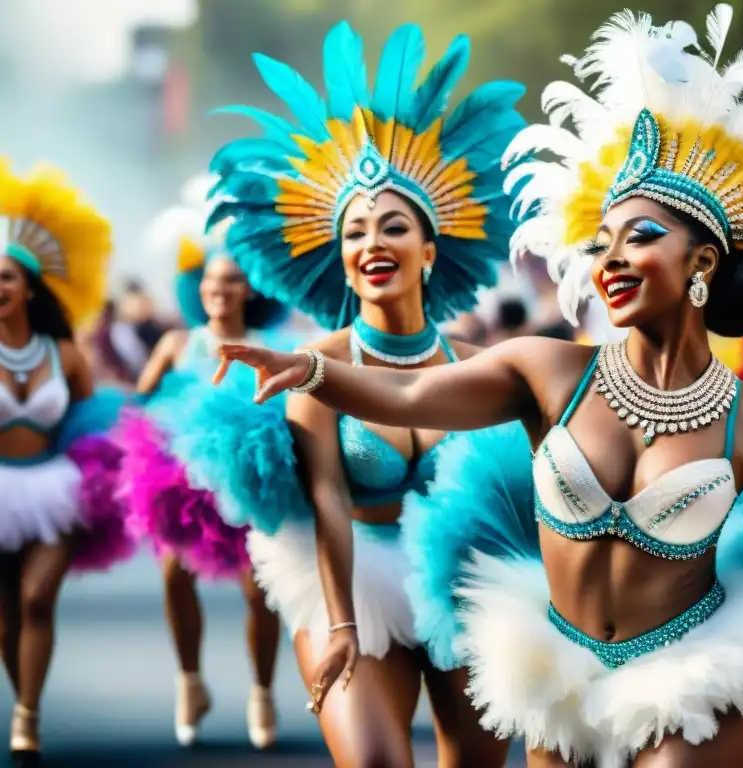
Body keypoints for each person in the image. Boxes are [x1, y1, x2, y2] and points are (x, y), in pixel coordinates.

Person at [214, 8, 743, 766]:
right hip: (561, 677)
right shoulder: (546, 370)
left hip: (696, 671)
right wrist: (314, 371)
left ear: (702, 263)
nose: (611, 259)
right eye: (602, 243)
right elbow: (413, 397)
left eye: (641, 237)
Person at [207, 20, 525, 767]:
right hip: (351, 580)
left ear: (429, 248)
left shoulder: (483, 366)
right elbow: (326, 497)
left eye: (393, 227)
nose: (373, 244)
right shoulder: (314, 367)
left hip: (464, 586)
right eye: (354, 234)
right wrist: (342, 624)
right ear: (343, 261)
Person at [116, 174, 290, 750]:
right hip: (183, 481)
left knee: (258, 591)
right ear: (200, 287)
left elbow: (290, 402)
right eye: (213, 280)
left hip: (249, 481)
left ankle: (262, 693)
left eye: (232, 280)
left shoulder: (268, 345)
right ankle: (190, 682)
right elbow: (142, 403)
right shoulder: (178, 343)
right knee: (174, 573)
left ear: (248, 290)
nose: (221, 289)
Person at [0, 160, 133, 761]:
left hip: (54, 489)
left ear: (29, 288)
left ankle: (27, 715)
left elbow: (90, 425)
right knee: (4, 618)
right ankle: (22, 694)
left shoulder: (66, 353)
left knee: (36, 599)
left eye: (6, 278)